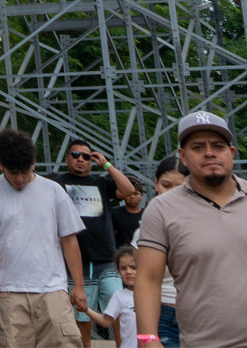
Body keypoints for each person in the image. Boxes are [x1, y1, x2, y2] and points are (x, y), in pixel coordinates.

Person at [133, 110, 247, 348]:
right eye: (198, 147)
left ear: (231, 152)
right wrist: (148, 339)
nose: (209, 153)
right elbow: (148, 279)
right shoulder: (162, 209)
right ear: (183, 156)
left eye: (218, 146)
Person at [0, 127, 90, 347]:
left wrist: (79, 286)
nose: (20, 179)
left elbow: (69, 240)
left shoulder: (54, 191)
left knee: (65, 342)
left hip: (52, 289)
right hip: (8, 292)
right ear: (0, 165)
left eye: (25, 172)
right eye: (13, 172)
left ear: (33, 164)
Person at [49, 139, 139, 346]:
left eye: (86, 156)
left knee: (120, 310)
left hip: (106, 259)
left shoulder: (100, 183)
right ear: (67, 158)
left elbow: (127, 189)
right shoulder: (57, 184)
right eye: (75, 155)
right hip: (75, 262)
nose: (80, 159)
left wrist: (106, 164)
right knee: (81, 314)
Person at [148, 157, 186, 348]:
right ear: (156, 184)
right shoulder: (146, 230)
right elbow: (144, 284)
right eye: (166, 185)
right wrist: (147, 338)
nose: (171, 193)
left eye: (179, 187)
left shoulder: (206, 225)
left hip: (203, 317)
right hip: (164, 317)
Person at [87, 245, 141, 348]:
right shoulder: (119, 296)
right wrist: (86, 309)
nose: (128, 272)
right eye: (123, 268)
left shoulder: (154, 295)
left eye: (133, 267)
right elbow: (106, 321)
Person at [112, 172, 146, 250]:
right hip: (121, 252)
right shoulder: (115, 213)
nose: (132, 197)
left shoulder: (147, 214)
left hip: (141, 252)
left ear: (141, 196)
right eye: (129, 194)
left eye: (136, 194)